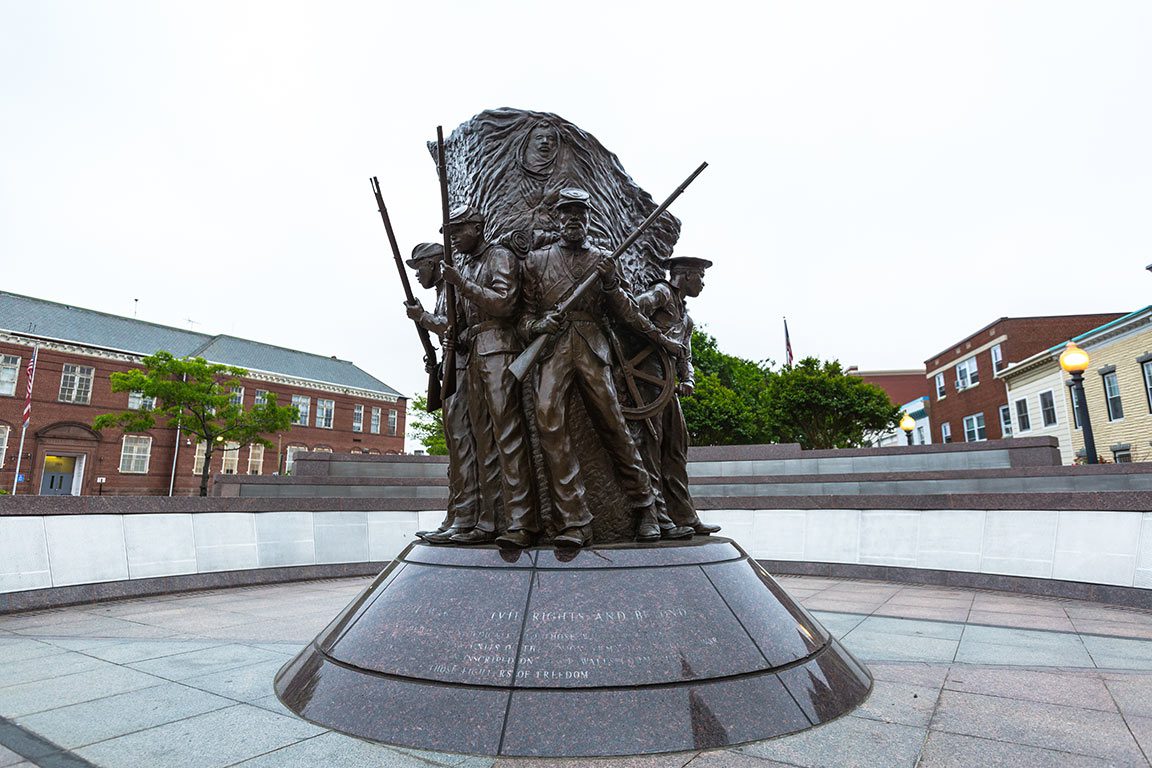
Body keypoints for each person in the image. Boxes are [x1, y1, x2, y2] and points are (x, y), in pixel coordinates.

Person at [518, 188, 686, 546]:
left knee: (614, 426)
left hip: (593, 347)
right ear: (557, 218)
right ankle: (575, 521)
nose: (574, 219)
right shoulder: (535, 261)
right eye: (567, 213)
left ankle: (646, 508)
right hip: (553, 348)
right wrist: (536, 326)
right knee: (549, 422)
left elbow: (625, 310)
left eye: (581, 213)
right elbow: (524, 318)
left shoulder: (604, 259)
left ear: (589, 219)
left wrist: (610, 282)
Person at [441, 205, 539, 548]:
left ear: (476, 227)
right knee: (484, 441)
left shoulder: (499, 256)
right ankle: (488, 519)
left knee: (507, 436)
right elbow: (471, 320)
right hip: (477, 351)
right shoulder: (468, 265)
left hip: (500, 349)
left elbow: (504, 304)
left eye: (457, 231)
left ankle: (522, 521)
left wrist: (462, 285)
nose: (453, 239)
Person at [634, 257, 722, 535]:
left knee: (675, 451)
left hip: (668, 387)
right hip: (647, 386)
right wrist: (659, 338)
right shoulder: (660, 293)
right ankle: (660, 519)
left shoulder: (687, 318)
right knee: (651, 449)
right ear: (683, 275)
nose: (703, 284)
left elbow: (686, 355)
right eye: (700, 277)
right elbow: (632, 310)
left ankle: (685, 516)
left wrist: (689, 378)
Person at [404, 242, 481, 544]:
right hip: (451, 372)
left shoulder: (452, 290)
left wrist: (422, 318)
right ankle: (455, 514)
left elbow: (452, 328)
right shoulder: (440, 295)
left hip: (463, 373)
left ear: (434, 265)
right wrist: (434, 364)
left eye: (419, 267)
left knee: (463, 444)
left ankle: (465, 516)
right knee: (455, 448)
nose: (417, 275)